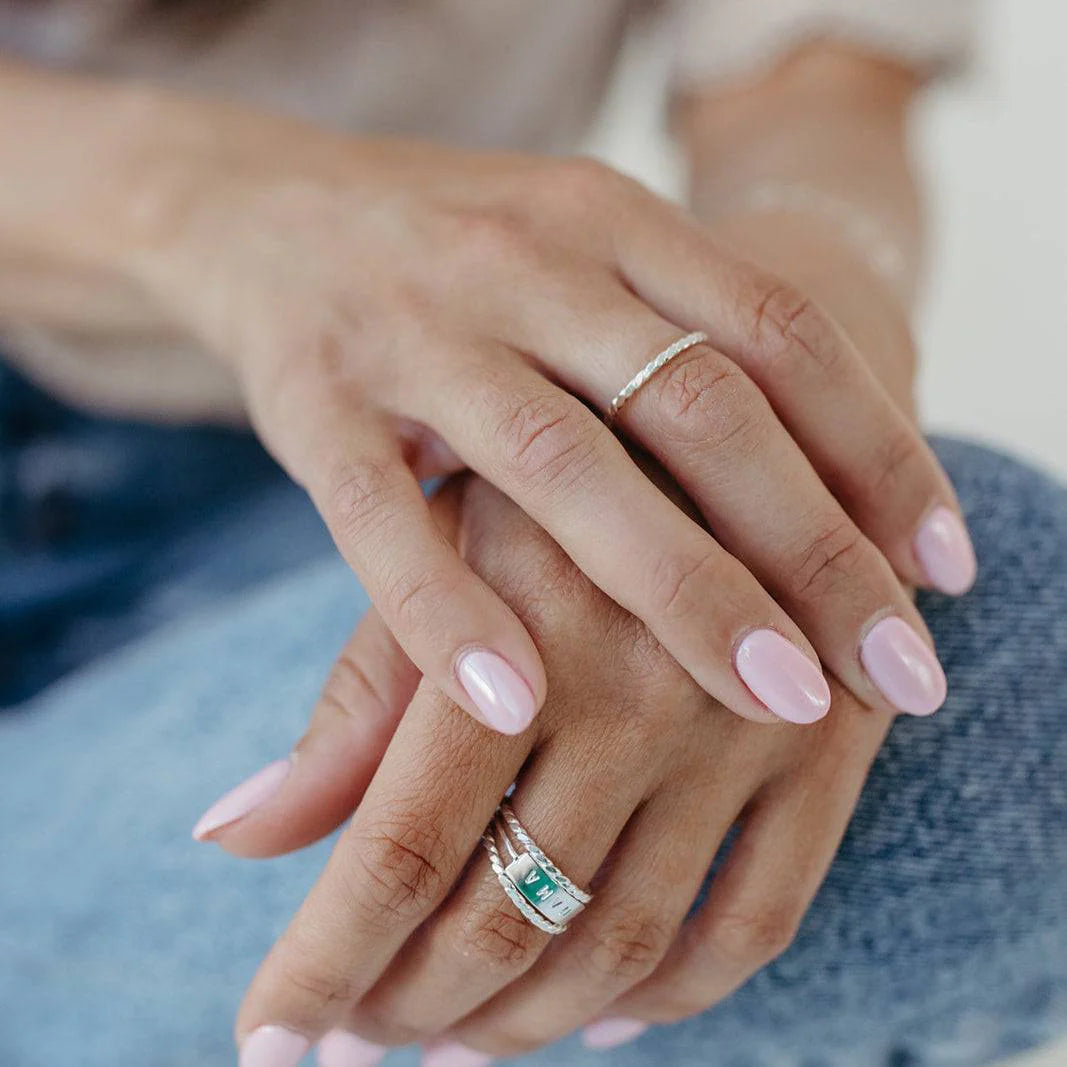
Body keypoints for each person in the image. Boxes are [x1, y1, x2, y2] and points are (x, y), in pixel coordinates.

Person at [0, 3, 1064, 1066]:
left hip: (357, 458)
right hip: (273, 336)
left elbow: (812, 79)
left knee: (1007, 648)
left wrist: (758, 383)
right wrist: (224, 209)